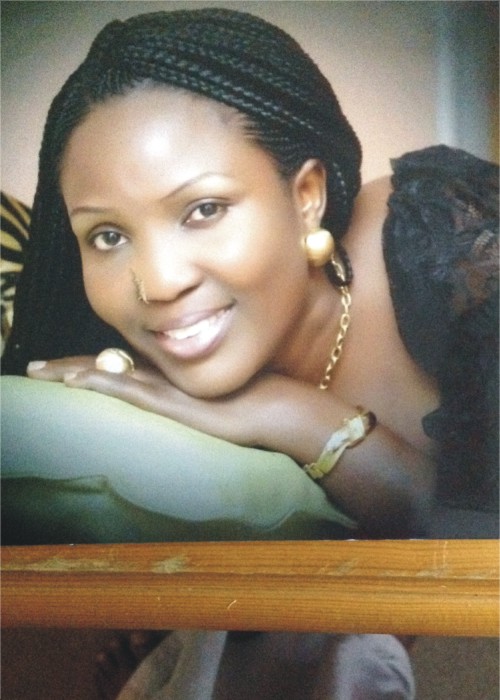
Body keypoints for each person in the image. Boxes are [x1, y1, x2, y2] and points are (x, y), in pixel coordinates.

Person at [1, 8, 497, 699]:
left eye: (203, 209)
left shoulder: (444, 239)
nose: (159, 284)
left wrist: (293, 415)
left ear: (306, 196)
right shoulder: (127, 369)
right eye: (108, 236)